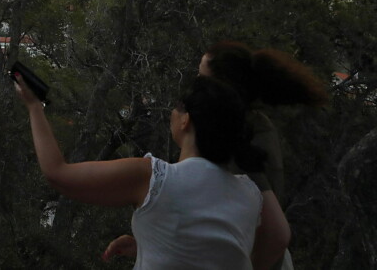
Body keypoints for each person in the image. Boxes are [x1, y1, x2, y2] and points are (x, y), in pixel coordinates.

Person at [15, 73, 290, 269]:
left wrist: (34, 107)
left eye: (176, 107)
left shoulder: (154, 178)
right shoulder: (249, 195)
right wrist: (149, 245)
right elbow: (218, 253)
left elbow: (57, 174)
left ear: (186, 121)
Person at [197, 41, 327, 270]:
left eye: (202, 79)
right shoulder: (243, 126)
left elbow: (275, 235)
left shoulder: (243, 138)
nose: (195, 86)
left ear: (224, 87)